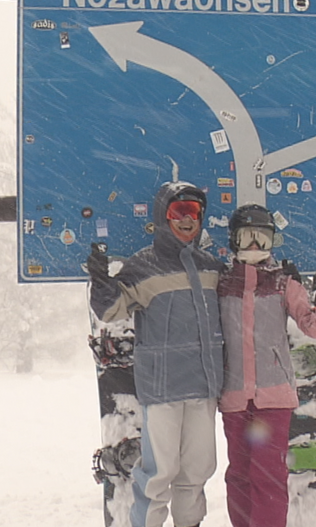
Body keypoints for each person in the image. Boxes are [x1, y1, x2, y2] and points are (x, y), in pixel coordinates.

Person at [88, 181, 224, 527]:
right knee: (159, 473)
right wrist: (102, 285)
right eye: (178, 212)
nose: (186, 220)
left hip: (203, 386)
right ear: (164, 218)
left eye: (193, 213)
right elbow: (112, 310)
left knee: (197, 470)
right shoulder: (145, 266)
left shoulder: (211, 267)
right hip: (163, 389)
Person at [216, 203, 316, 527]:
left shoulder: (282, 283)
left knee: (268, 475)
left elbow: (312, 327)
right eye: (247, 237)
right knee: (238, 474)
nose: (255, 246)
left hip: (273, 398)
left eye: (262, 238)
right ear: (233, 241)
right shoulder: (222, 283)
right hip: (235, 395)